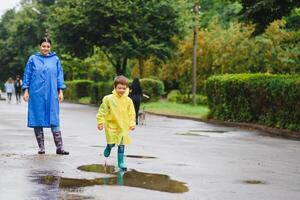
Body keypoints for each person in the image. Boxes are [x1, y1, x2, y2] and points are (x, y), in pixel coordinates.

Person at [22, 37, 69, 155]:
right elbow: (27, 75)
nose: (46, 48)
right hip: (36, 93)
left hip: (52, 93)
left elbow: (59, 76)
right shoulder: (33, 59)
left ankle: (60, 147)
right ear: (39, 46)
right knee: (37, 118)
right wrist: (26, 91)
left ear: (50, 47)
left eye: (48, 46)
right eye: (43, 46)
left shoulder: (55, 59)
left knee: (54, 118)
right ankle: (41, 147)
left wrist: (61, 91)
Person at [96, 75, 136, 171]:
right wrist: (100, 121)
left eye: (124, 88)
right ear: (114, 87)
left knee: (121, 145)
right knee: (112, 143)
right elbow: (102, 110)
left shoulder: (128, 100)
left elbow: (131, 113)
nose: (122, 90)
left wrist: (132, 123)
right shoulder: (108, 99)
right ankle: (109, 146)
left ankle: (121, 162)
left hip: (123, 127)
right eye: (119, 88)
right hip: (111, 126)